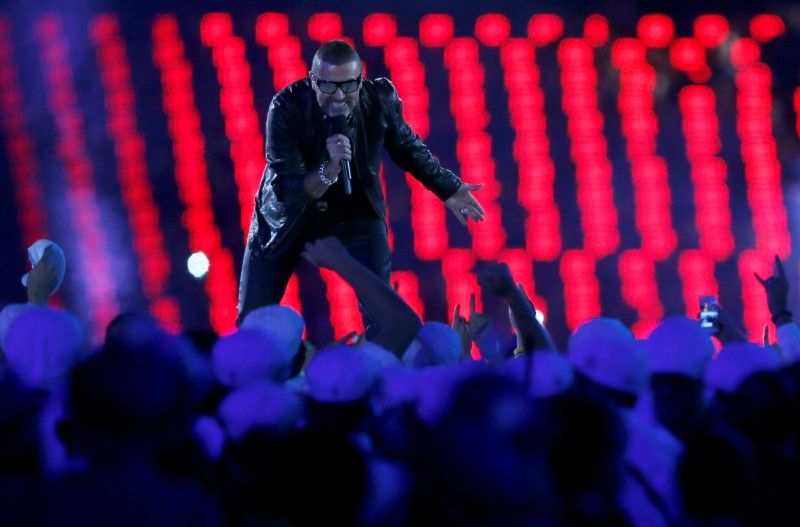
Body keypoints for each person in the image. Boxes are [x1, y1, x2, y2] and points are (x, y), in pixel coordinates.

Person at [238, 39, 485, 332]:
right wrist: (329, 168)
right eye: (328, 86)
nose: (339, 96)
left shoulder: (379, 98)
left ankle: (379, 371)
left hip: (355, 211)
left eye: (348, 85)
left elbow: (407, 146)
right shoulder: (286, 107)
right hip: (289, 218)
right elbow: (287, 189)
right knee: (252, 321)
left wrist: (448, 187)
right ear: (312, 79)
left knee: (383, 314)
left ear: (361, 79)